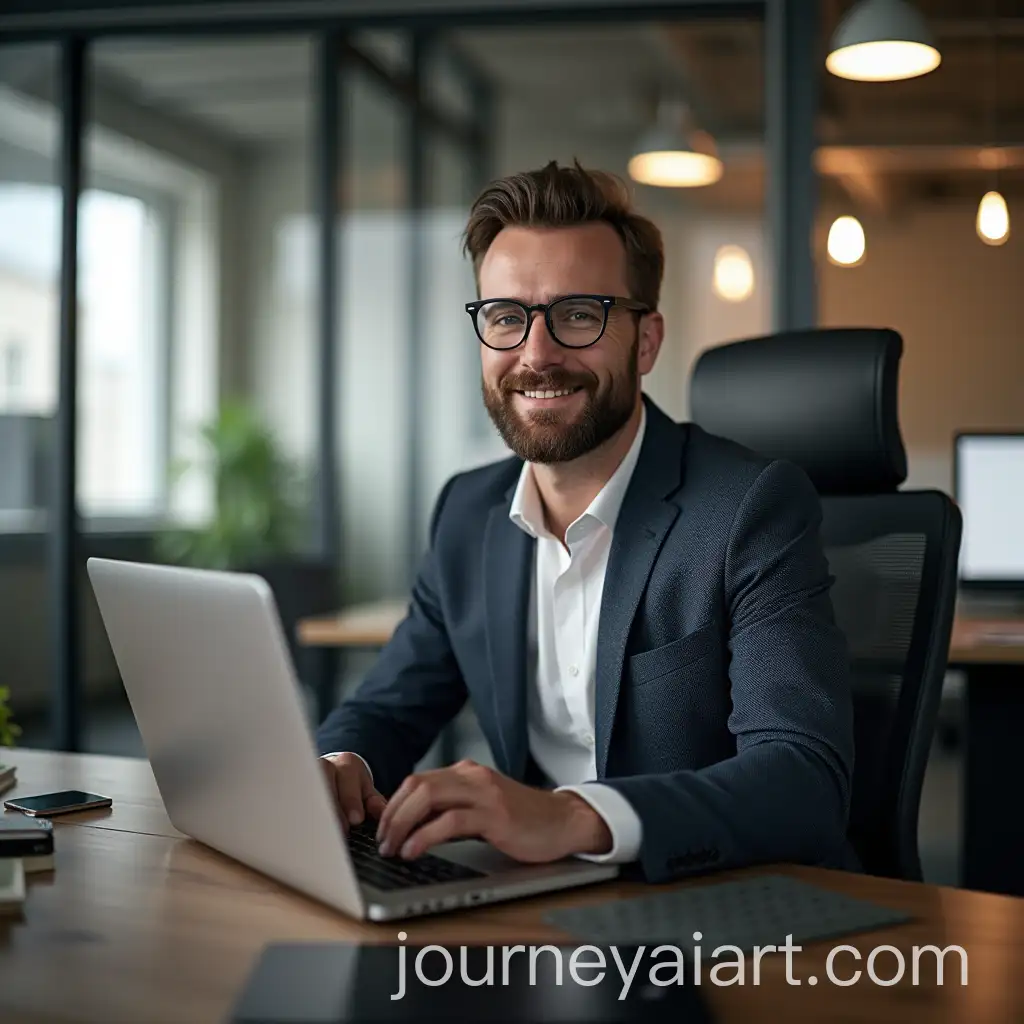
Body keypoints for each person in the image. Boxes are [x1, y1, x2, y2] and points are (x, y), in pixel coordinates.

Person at [316, 160, 856, 883]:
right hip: (533, 903)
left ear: (646, 341)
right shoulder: (467, 514)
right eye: (507, 317)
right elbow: (388, 707)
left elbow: (802, 778)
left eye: (578, 314)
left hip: (716, 905)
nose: (536, 355)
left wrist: (573, 815)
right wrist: (340, 766)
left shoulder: (749, 509)